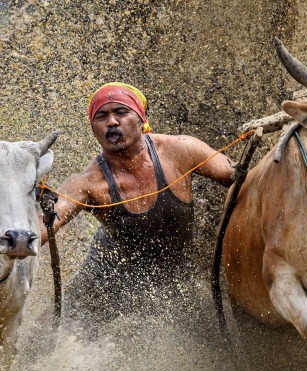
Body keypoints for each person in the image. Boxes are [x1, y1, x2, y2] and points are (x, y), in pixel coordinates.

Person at [39, 82, 234, 323]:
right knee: (47, 329)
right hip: (105, 281)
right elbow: (45, 226)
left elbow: (241, 177)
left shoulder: (180, 151)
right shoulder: (89, 183)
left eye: (121, 112)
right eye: (102, 116)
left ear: (141, 119)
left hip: (176, 279)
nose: (111, 122)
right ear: (94, 129)